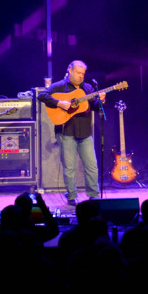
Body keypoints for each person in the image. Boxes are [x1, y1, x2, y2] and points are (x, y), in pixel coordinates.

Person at [37, 60, 105, 205]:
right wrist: (59, 103)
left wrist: (100, 102)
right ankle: (72, 196)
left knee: (92, 165)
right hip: (66, 132)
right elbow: (42, 95)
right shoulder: (59, 86)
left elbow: (94, 107)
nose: (81, 76)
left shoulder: (88, 88)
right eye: (78, 73)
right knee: (69, 167)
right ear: (70, 71)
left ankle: (93, 195)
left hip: (85, 132)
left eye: (83, 74)